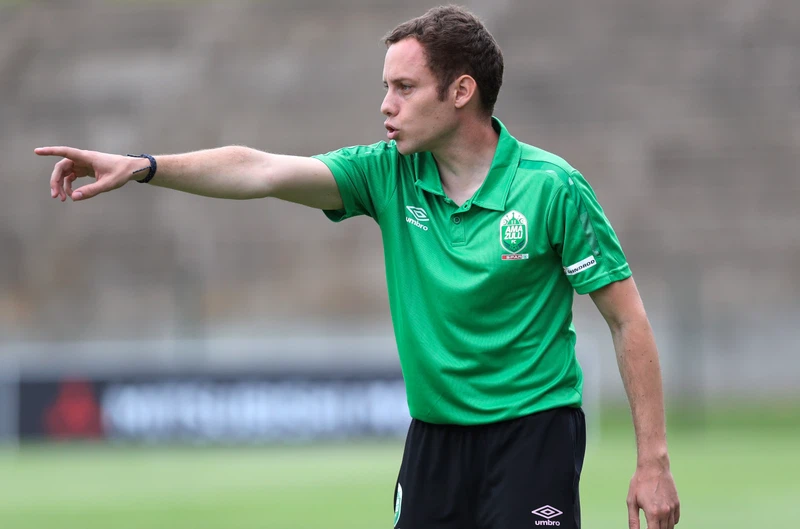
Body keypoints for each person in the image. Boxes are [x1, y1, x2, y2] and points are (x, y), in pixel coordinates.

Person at [36, 5, 680, 529]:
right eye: (384, 88)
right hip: (435, 440)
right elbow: (259, 169)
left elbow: (628, 322)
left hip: (533, 435)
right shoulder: (384, 172)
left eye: (404, 88)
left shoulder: (553, 189)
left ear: (461, 92)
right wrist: (144, 166)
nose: (386, 106)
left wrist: (652, 461)